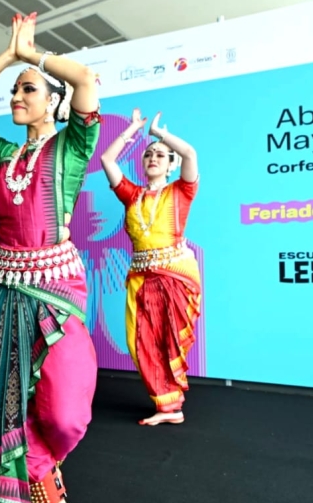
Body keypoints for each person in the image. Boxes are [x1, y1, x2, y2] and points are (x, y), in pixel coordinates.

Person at [0, 12, 100, 503]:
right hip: (2, 289)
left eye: (27, 90)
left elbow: (84, 79)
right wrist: (4, 60)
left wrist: (32, 53)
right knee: (2, 398)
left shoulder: (72, 148)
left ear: (52, 101)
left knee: (63, 408)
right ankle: (43, 491)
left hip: (54, 286)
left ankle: (45, 470)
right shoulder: (1, 155)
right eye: (14, 91)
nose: (16, 97)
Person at [99, 107, 201, 426]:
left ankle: (171, 407)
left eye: (160, 155)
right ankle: (165, 405)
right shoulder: (132, 196)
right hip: (142, 279)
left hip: (175, 276)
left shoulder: (182, 190)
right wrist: (131, 132)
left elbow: (190, 152)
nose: (153, 158)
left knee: (169, 339)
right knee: (140, 340)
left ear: (171, 165)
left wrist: (160, 135)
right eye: (148, 155)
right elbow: (107, 161)